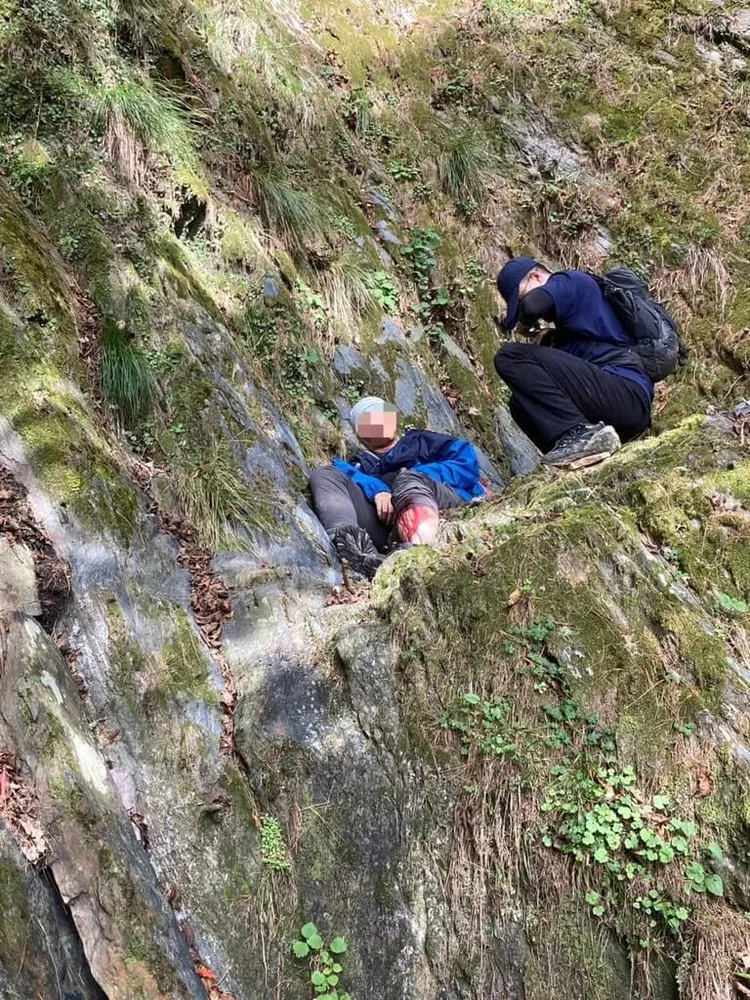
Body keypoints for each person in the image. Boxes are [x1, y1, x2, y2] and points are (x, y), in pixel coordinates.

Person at [494, 257, 653, 467]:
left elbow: (532, 306)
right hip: (613, 410)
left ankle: (580, 435)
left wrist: (523, 324)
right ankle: (576, 456)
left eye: (522, 298)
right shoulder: (572, 326)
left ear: (536, 276)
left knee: (509, 356)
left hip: (627, 393)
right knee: (520, 404)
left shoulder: (570, 280)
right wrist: (551, 340)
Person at [310, 397, 487, 578]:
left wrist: (410, 477)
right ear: (360, 435)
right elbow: (343, 472)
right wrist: (379, 490)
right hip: (389, 529)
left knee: (406, 479)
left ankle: (421, 548)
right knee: (324, 475)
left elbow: (466, 464)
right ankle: (350, 547)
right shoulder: (359, 466)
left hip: (444, 501)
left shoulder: (423, 441)